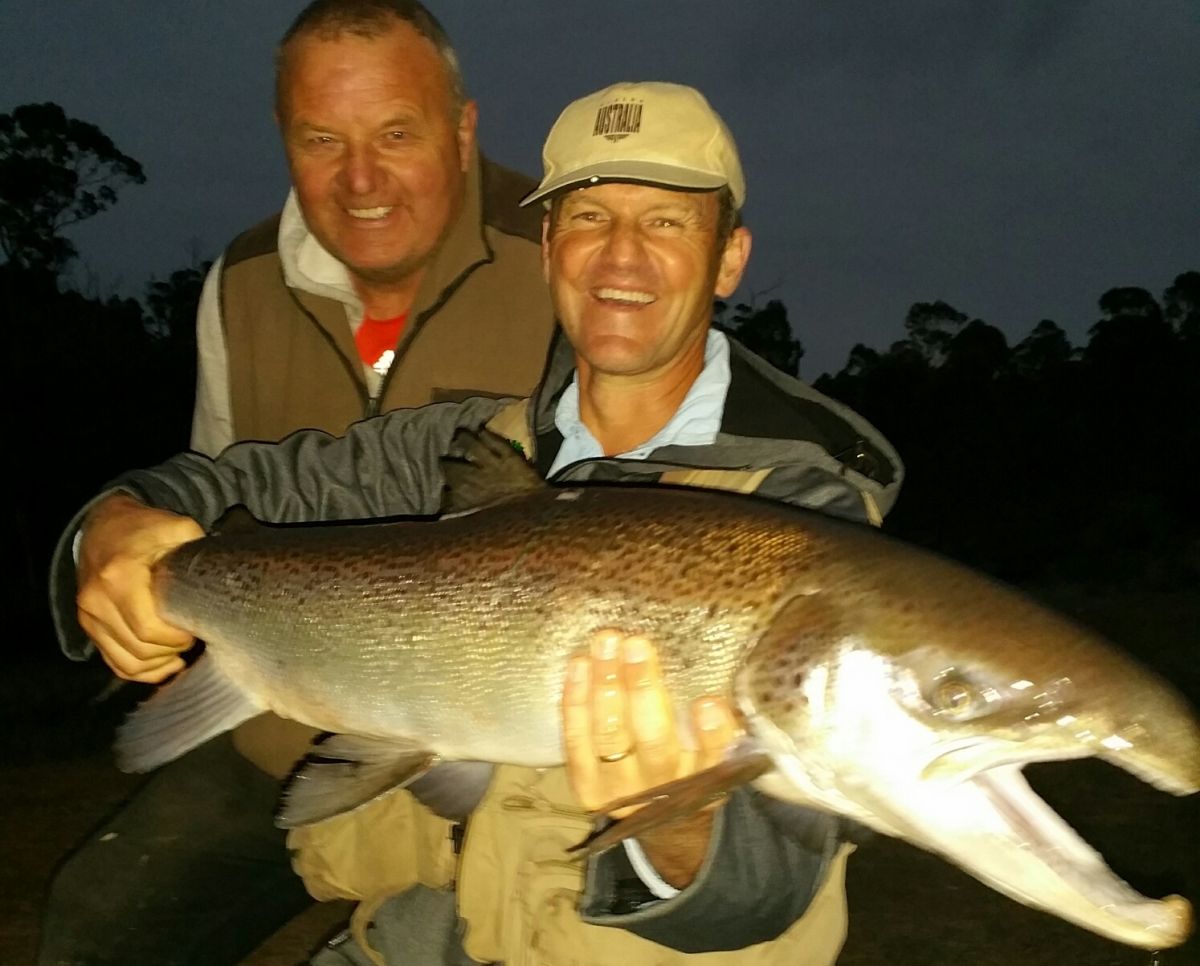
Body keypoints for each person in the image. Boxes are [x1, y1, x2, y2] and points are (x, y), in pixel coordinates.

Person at [52, 82, 903, 965]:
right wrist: (108, 530)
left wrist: (678, 834)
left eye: (666, 223)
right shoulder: (459, 445)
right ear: (547, 248)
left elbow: (779, 869)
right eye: (590, 217)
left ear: (730, 259)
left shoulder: (804, 514)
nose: (621, 257)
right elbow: (222, 482)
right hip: (420, 933)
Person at [38, 2, 555, 964]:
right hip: (284, 732)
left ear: (464, 128)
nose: (361, 181)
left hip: (505, 747)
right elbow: (211, 501)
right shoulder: (237, 283)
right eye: (323, 140)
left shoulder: (570, 259)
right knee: (100, 919)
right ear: (285, 138)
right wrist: (111, 536)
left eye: (397, 134)